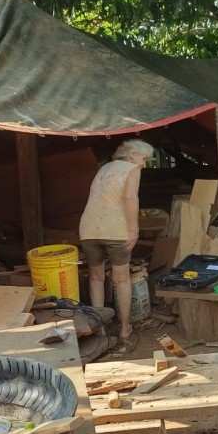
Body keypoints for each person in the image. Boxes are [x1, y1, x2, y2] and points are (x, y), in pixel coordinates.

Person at [79, 139, 154, 342]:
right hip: (115, 228)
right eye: (144, 159)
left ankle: (100, 328)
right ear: (132, 156)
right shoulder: (132, 169)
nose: (144, 164)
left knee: (96, 277)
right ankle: (124, 329)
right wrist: (134, 229)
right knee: (121, 278)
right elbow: (130, 198)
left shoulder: (104, 168)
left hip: (88, 228)